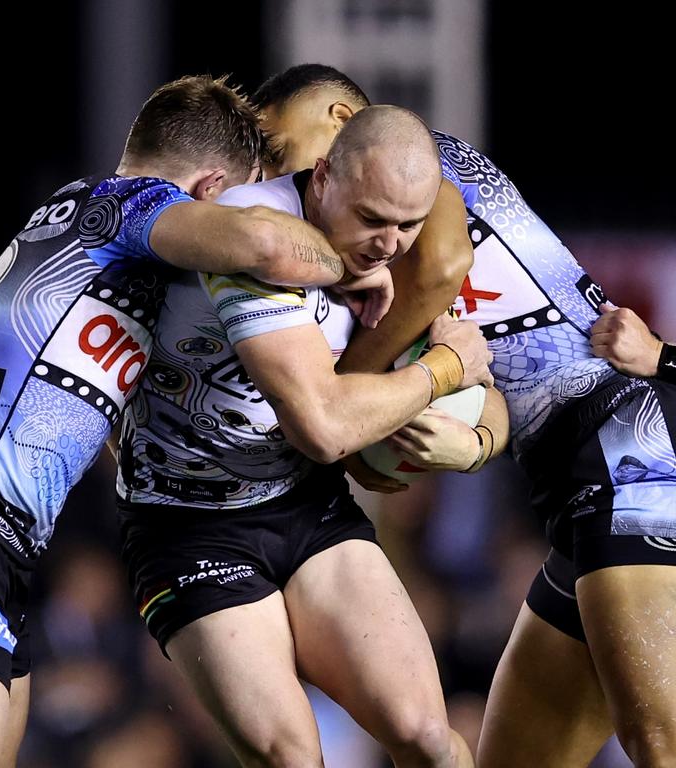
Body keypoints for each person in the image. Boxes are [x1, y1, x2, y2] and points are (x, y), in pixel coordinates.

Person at [0, 74, 391, 768]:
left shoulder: (93, 246)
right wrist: (356, 260)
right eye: (245, 193)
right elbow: (265, 243)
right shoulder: (124, 204)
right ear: (208, 191)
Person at [257, 63, 676, 767]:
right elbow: (492, 387)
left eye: (279, 149)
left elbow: (442, 266)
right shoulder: (369, 256)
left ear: (342, 124)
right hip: (587, 482)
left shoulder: (410, 165)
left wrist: (341, 404)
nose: (278, 173)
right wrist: (455, 440)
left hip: (638, 447)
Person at [116, 104, 494, 768]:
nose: (388, 243)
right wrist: (444, 368)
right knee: (292, 756)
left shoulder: (384, 243)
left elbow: (493, 386)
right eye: (372, 219)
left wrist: (479, 440)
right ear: (321, 178)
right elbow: (324, 428)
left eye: (407, 225)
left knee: (431, 740)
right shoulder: (248, 233)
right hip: (187, 524)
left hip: (304, 506)